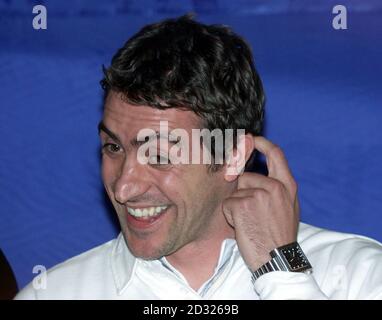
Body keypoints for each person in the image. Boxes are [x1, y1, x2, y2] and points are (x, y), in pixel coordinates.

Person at [15, 15, 382, 300]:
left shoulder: (358, 276)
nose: (124, 187)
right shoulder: (55, 291)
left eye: (158, 154)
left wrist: (283, 274)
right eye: (114, 148)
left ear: (233, 155)